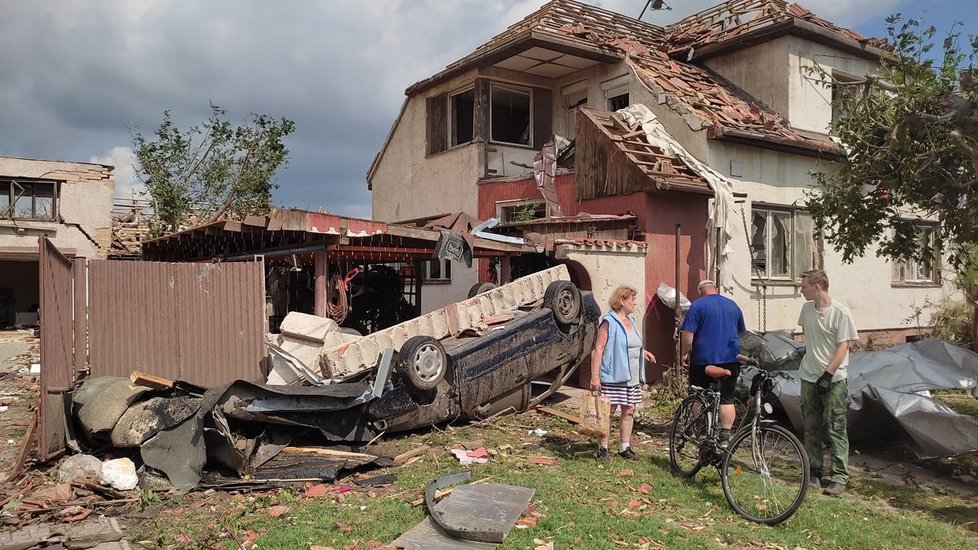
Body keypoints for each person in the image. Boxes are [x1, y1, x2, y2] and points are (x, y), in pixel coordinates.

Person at [797, 269, 858, 497]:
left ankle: (839, 477)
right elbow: (810, 340)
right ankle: (814, 471)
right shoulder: (806, 310)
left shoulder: (840, 312)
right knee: (810, 426)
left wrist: (828, 374)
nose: (801, 290)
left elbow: (844, 346)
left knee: (835, 427)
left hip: (833, 379)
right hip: (808, 376)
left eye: (804, 286)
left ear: (818, 287)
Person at [590, 285, 655, 461]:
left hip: (632, 377)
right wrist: (595, 376)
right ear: (621, 301)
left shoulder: (632, 321)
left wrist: (644, 352)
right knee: (608, 411)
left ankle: (624, 447)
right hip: (613, 375)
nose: (635, 302)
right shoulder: (609, 322)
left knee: (629, 410)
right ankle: (602, 447)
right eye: (631, 299)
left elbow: (632, 343)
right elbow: (599, 348)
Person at [679, 280, 746, 448]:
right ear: (715, 289)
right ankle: (725, 435)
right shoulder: (733, 306)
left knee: (698, 394)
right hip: (731, 359)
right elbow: (741, 333)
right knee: (727, 398)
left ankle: (699, 428)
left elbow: (688, 333)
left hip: (703, 360)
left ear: (700, 291)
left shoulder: (697, 305)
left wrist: (686, 353)